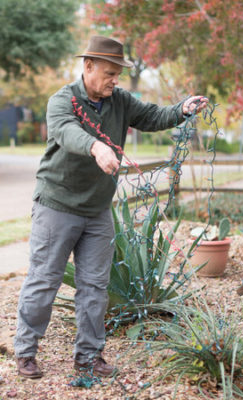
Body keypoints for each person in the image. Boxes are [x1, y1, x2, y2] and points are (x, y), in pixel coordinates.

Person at [14, 35, 208, 379]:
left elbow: (153, 116)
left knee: (95, 287)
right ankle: (26, 352)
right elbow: (66, 133)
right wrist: (96, 147)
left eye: (117, 73)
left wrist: (182, 109)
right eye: (108, 73)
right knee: (44, 281)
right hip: (56, 206)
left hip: (97, 211)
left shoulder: (120, 100)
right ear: (88, 67)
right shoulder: (62, 101)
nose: (114, 80)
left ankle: (89, 356)